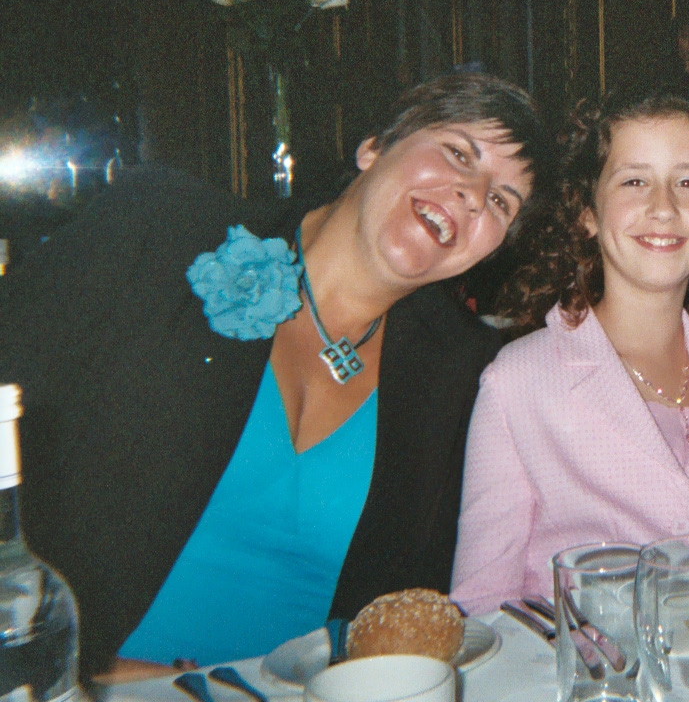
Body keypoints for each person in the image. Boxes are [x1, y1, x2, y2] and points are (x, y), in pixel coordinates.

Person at [0, 72, 550, 679]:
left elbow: (418, 603)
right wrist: (75, 668)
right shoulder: (160, 232)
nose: (473, 194)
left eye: (501, 201)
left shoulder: (460, 368)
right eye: (458, 153)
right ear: (374, 147)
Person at [451, 89, 689, 614]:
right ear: (587, 213)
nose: (664, 207)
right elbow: (482, 606)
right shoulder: (517, 383)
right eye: (634, 181)